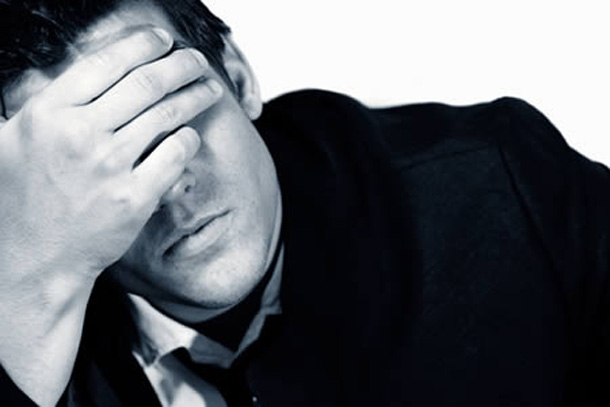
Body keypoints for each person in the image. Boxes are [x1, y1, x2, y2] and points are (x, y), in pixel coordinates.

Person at [1, 0, 609, 406]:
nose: (169, 185)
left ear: (239, 80)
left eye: (173, 112)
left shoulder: (503, 187)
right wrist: (30, 291)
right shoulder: (21, 312)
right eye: (98, 162)